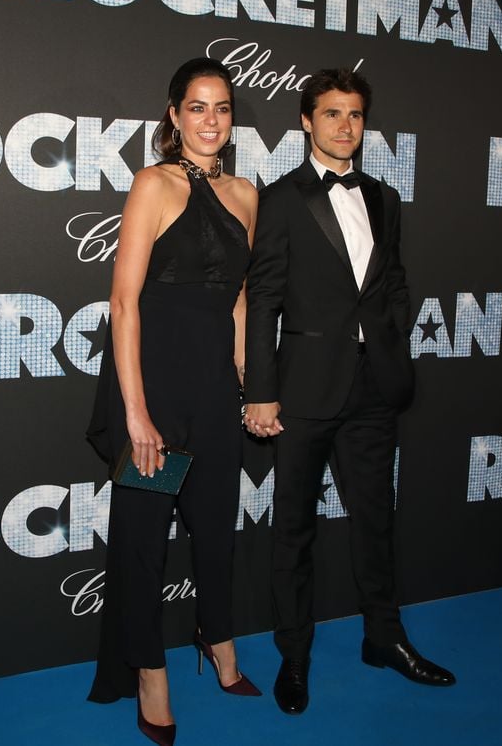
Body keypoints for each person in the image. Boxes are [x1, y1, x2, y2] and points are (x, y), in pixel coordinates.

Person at [243, 68, 455, 715]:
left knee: (376, 523)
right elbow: (264, 301)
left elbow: (394, 283)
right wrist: (261, 390)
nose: (345, 126)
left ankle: (384, 639)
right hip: (303, 390)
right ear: (306, 121)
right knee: (294, 532)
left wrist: (390, 339)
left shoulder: (386, 197)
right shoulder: (280, 197)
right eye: (332, 114)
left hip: (373, 390)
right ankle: (295, 657)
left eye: (356, 115)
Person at [86, 57, 260, 746]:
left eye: (221, 107)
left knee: (217, 532)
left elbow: (240, 300)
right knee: (142, 547)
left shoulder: (249, 194)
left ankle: (219, 641)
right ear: (173, 114)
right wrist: (135, 413)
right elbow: (124, 302)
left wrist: (251, 386)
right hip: (152, 390)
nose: (210, 120)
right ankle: (148, 672)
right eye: (197, 107)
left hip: (216, 392)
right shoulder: (151, 185)